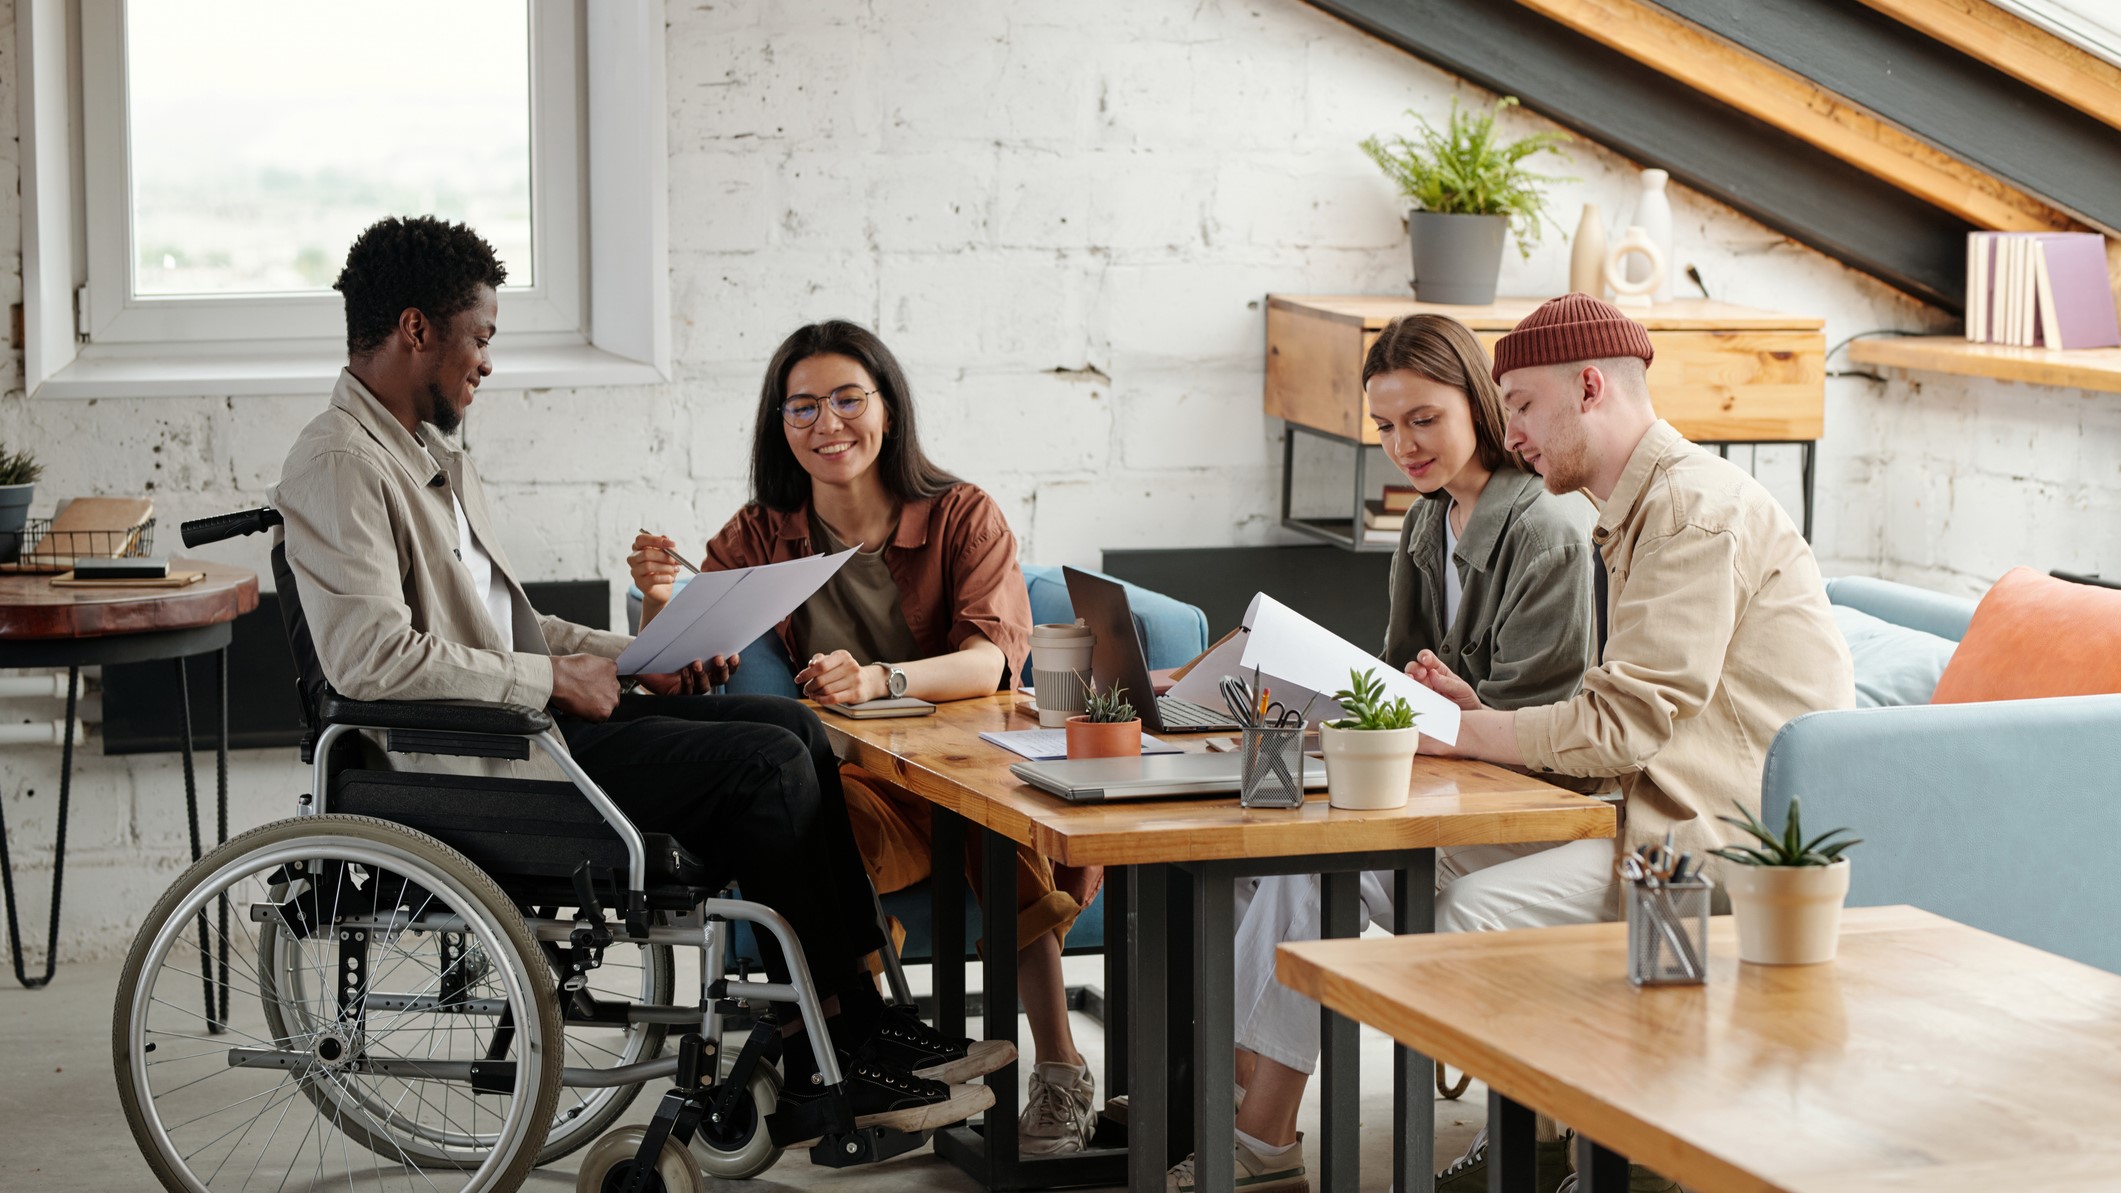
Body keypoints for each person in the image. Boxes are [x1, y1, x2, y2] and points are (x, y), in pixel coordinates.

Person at [271, 216, 1006, 1148]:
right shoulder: (341, 461)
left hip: (519, 724)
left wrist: (636, 653)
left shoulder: (423, 456)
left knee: (792, 725)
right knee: (764, 767)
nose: (487, 363)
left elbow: (505, 628)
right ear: (418, 330)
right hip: (474, 759)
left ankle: (849, 1016)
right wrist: (553, 678)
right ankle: (836, 1039)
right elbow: (369, 659)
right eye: (482, 337)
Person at [1407, 292, 1856, 1191]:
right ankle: (1541, 1134)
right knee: (1423, 858)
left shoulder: (1692, 512)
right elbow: (1633, 715)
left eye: (1524, 406)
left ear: (1588, 387)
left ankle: (1564, 1144)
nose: (1513, 433)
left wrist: (1470, 730)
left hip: (1711, 841)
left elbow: (1627, 721)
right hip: (1646, 806)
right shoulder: (1641, 509)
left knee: (1470, 916)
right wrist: (1480, 712)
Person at [629, 320, 1103, 1156]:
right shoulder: (758, 531)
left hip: (968, 761)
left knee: (1003, 832)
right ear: (780, 425)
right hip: (865, 776)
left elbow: (992, 660)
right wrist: (663, 598)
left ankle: (1060, 1070)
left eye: (849, 399)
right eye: (802, 407)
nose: (828, 424)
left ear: (888, 407)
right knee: (814, 835)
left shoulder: (961, 514)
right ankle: (874, 1065)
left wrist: (880, 679)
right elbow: (676, 677)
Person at [1166, 314, 1601, 1193]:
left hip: (1539, 815)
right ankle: (1261, 1125)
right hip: (1448, 798)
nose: (1402, 444)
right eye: (1385, 427)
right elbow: (1389, 680)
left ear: (1478, 404)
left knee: (1309, 855)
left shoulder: (1545, 527)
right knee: (1280, 860)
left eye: (1423, 420)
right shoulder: (1425, 523)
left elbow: (1542, 733)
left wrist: (1405, 715)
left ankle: (1245, 1120)